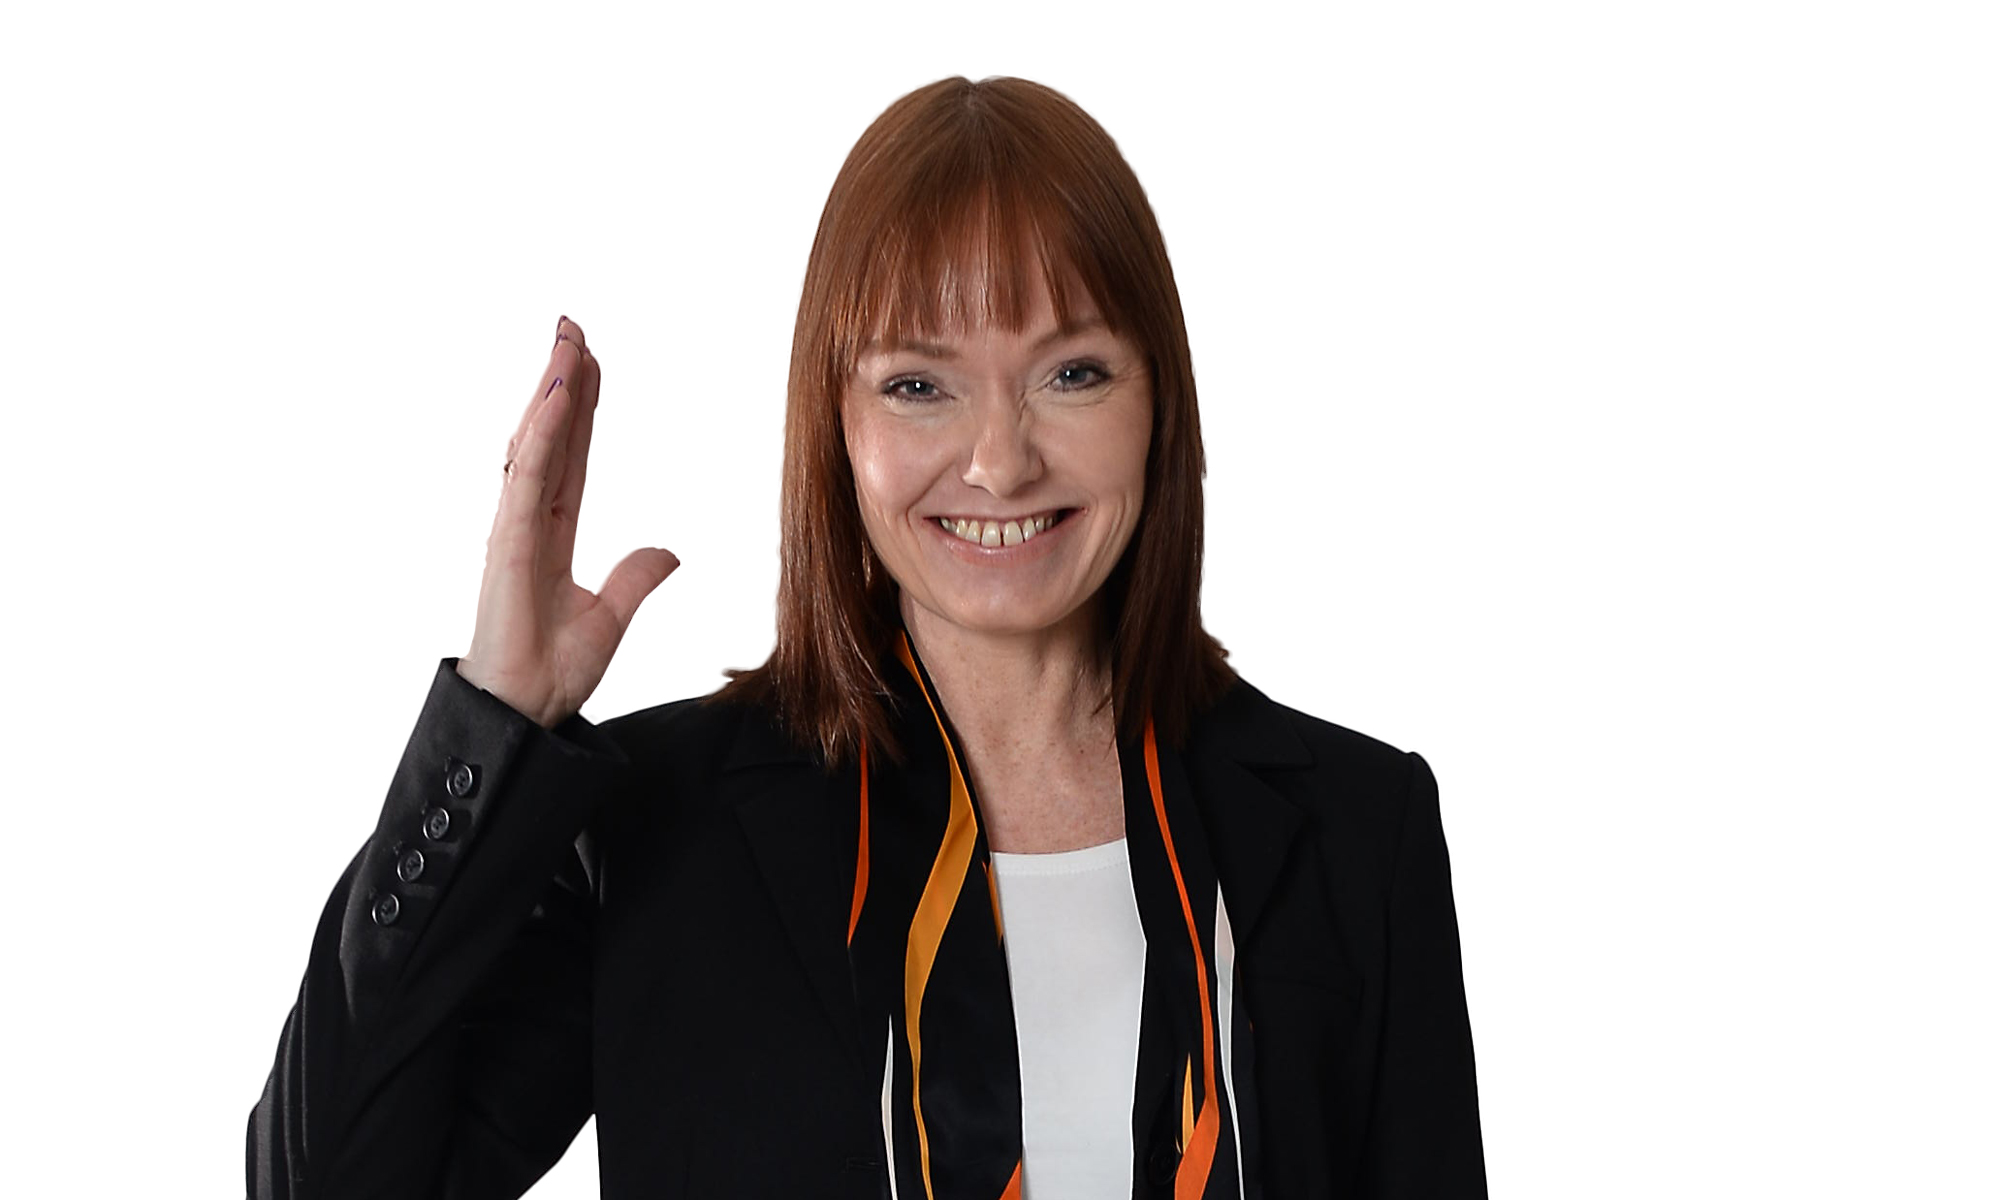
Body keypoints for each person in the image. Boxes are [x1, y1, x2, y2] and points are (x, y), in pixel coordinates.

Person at [247, 76, 1486, 1199]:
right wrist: (498, 721)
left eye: (1072, 375)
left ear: (1159, 399)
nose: (999, 461)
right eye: (917, 384)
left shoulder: (1354, 831)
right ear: (831, 424)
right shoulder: (656, 830)